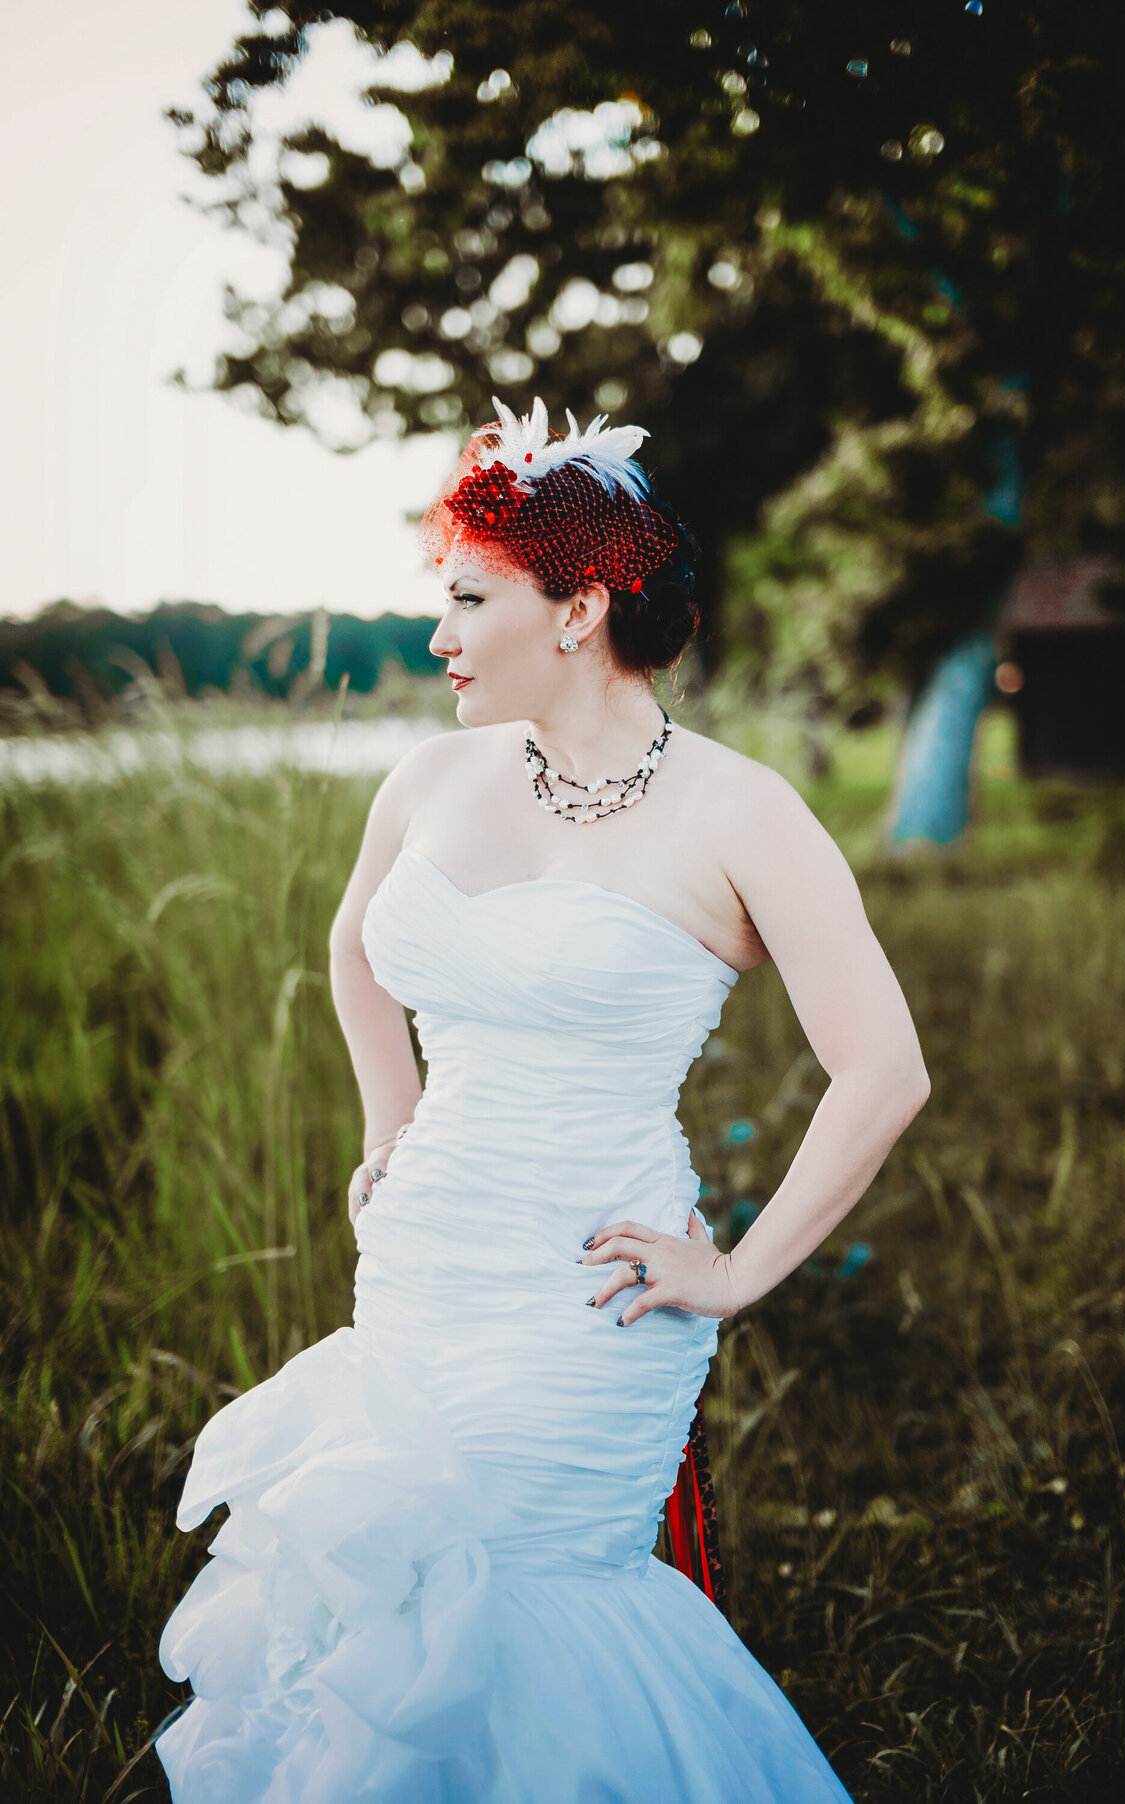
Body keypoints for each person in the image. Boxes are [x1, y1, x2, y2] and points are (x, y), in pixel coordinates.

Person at [155, 397, 930, 1803]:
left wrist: (741, 1270)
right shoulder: (432, 776)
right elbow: (354, 952)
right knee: (386, 1621)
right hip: (418, 1278)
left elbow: (885, 1068)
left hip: (587, 1305)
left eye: (467, 598)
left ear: (578, 609)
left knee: (523, 1617)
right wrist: (393, 1121)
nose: (437, 633)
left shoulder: (742, 811)